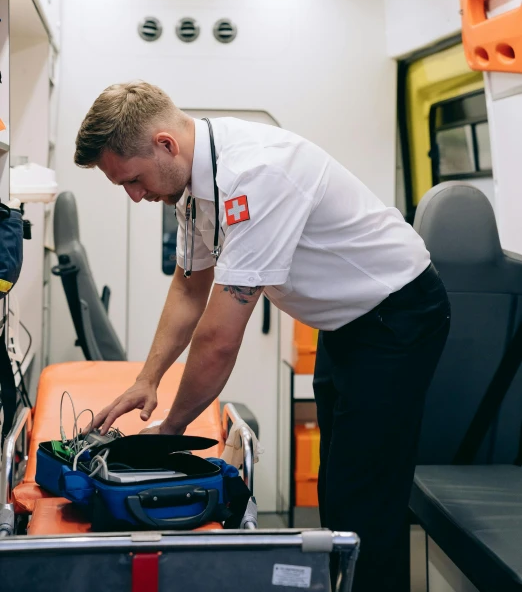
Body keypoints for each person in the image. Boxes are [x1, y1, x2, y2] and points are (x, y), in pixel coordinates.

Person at [75, 80, 450, 592]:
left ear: (165, 144)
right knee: (339, 490)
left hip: (398, 315)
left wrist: (171, 432)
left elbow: (219, 338)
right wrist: (148, 380)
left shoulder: (255, 173)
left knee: (365, 495)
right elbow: (189, 286)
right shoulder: (192, 186)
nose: (136, 196)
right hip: (345, 322)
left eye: (133, 180)